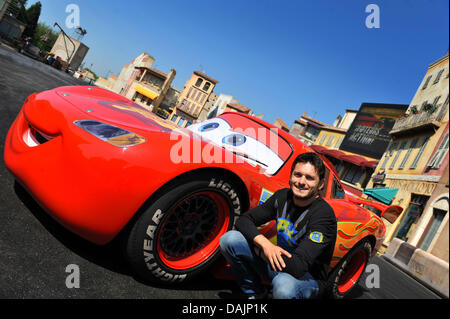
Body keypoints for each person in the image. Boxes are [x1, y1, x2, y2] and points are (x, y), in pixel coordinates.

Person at [220, 152, 337, 299]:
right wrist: (265, 245)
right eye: (298, 175)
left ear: (320, 184)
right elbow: (244, 220)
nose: (301, 182)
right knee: (230, 239)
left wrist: (262, 251)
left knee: (283, 286)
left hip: (305, 278)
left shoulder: (324, 216)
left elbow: (298, 267)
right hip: (276, 262)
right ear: (290, 176)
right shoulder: (283, 196)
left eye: (309, 178)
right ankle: (255, 294)